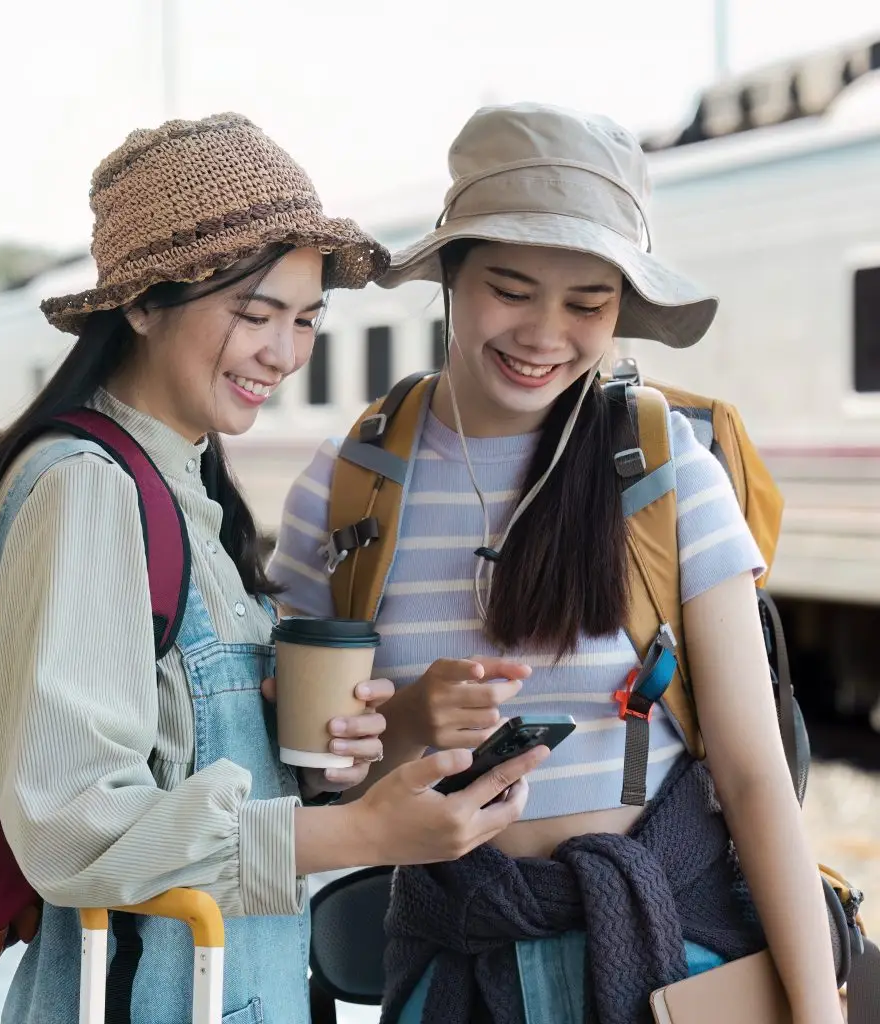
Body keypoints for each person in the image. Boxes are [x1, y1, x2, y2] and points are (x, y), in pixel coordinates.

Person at [0, 114, 546, 1024]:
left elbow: (205, 769)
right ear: (140, 304)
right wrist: (360, 832)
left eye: (305, 321)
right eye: (253, 315)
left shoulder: (186, 486)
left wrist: (391, 733)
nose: (283, 354)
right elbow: (68, 824)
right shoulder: (86, 491)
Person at [268, 103, 844, 1024]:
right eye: (511, 287)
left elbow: (751, 774)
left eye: (589, 304)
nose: (544, 334)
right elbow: (315, 782)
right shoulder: (349, 492)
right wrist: (413, 720)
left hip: (677, 960)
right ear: (450, 273)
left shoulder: (665, 474)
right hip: (454, 971)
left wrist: (819, 1014)